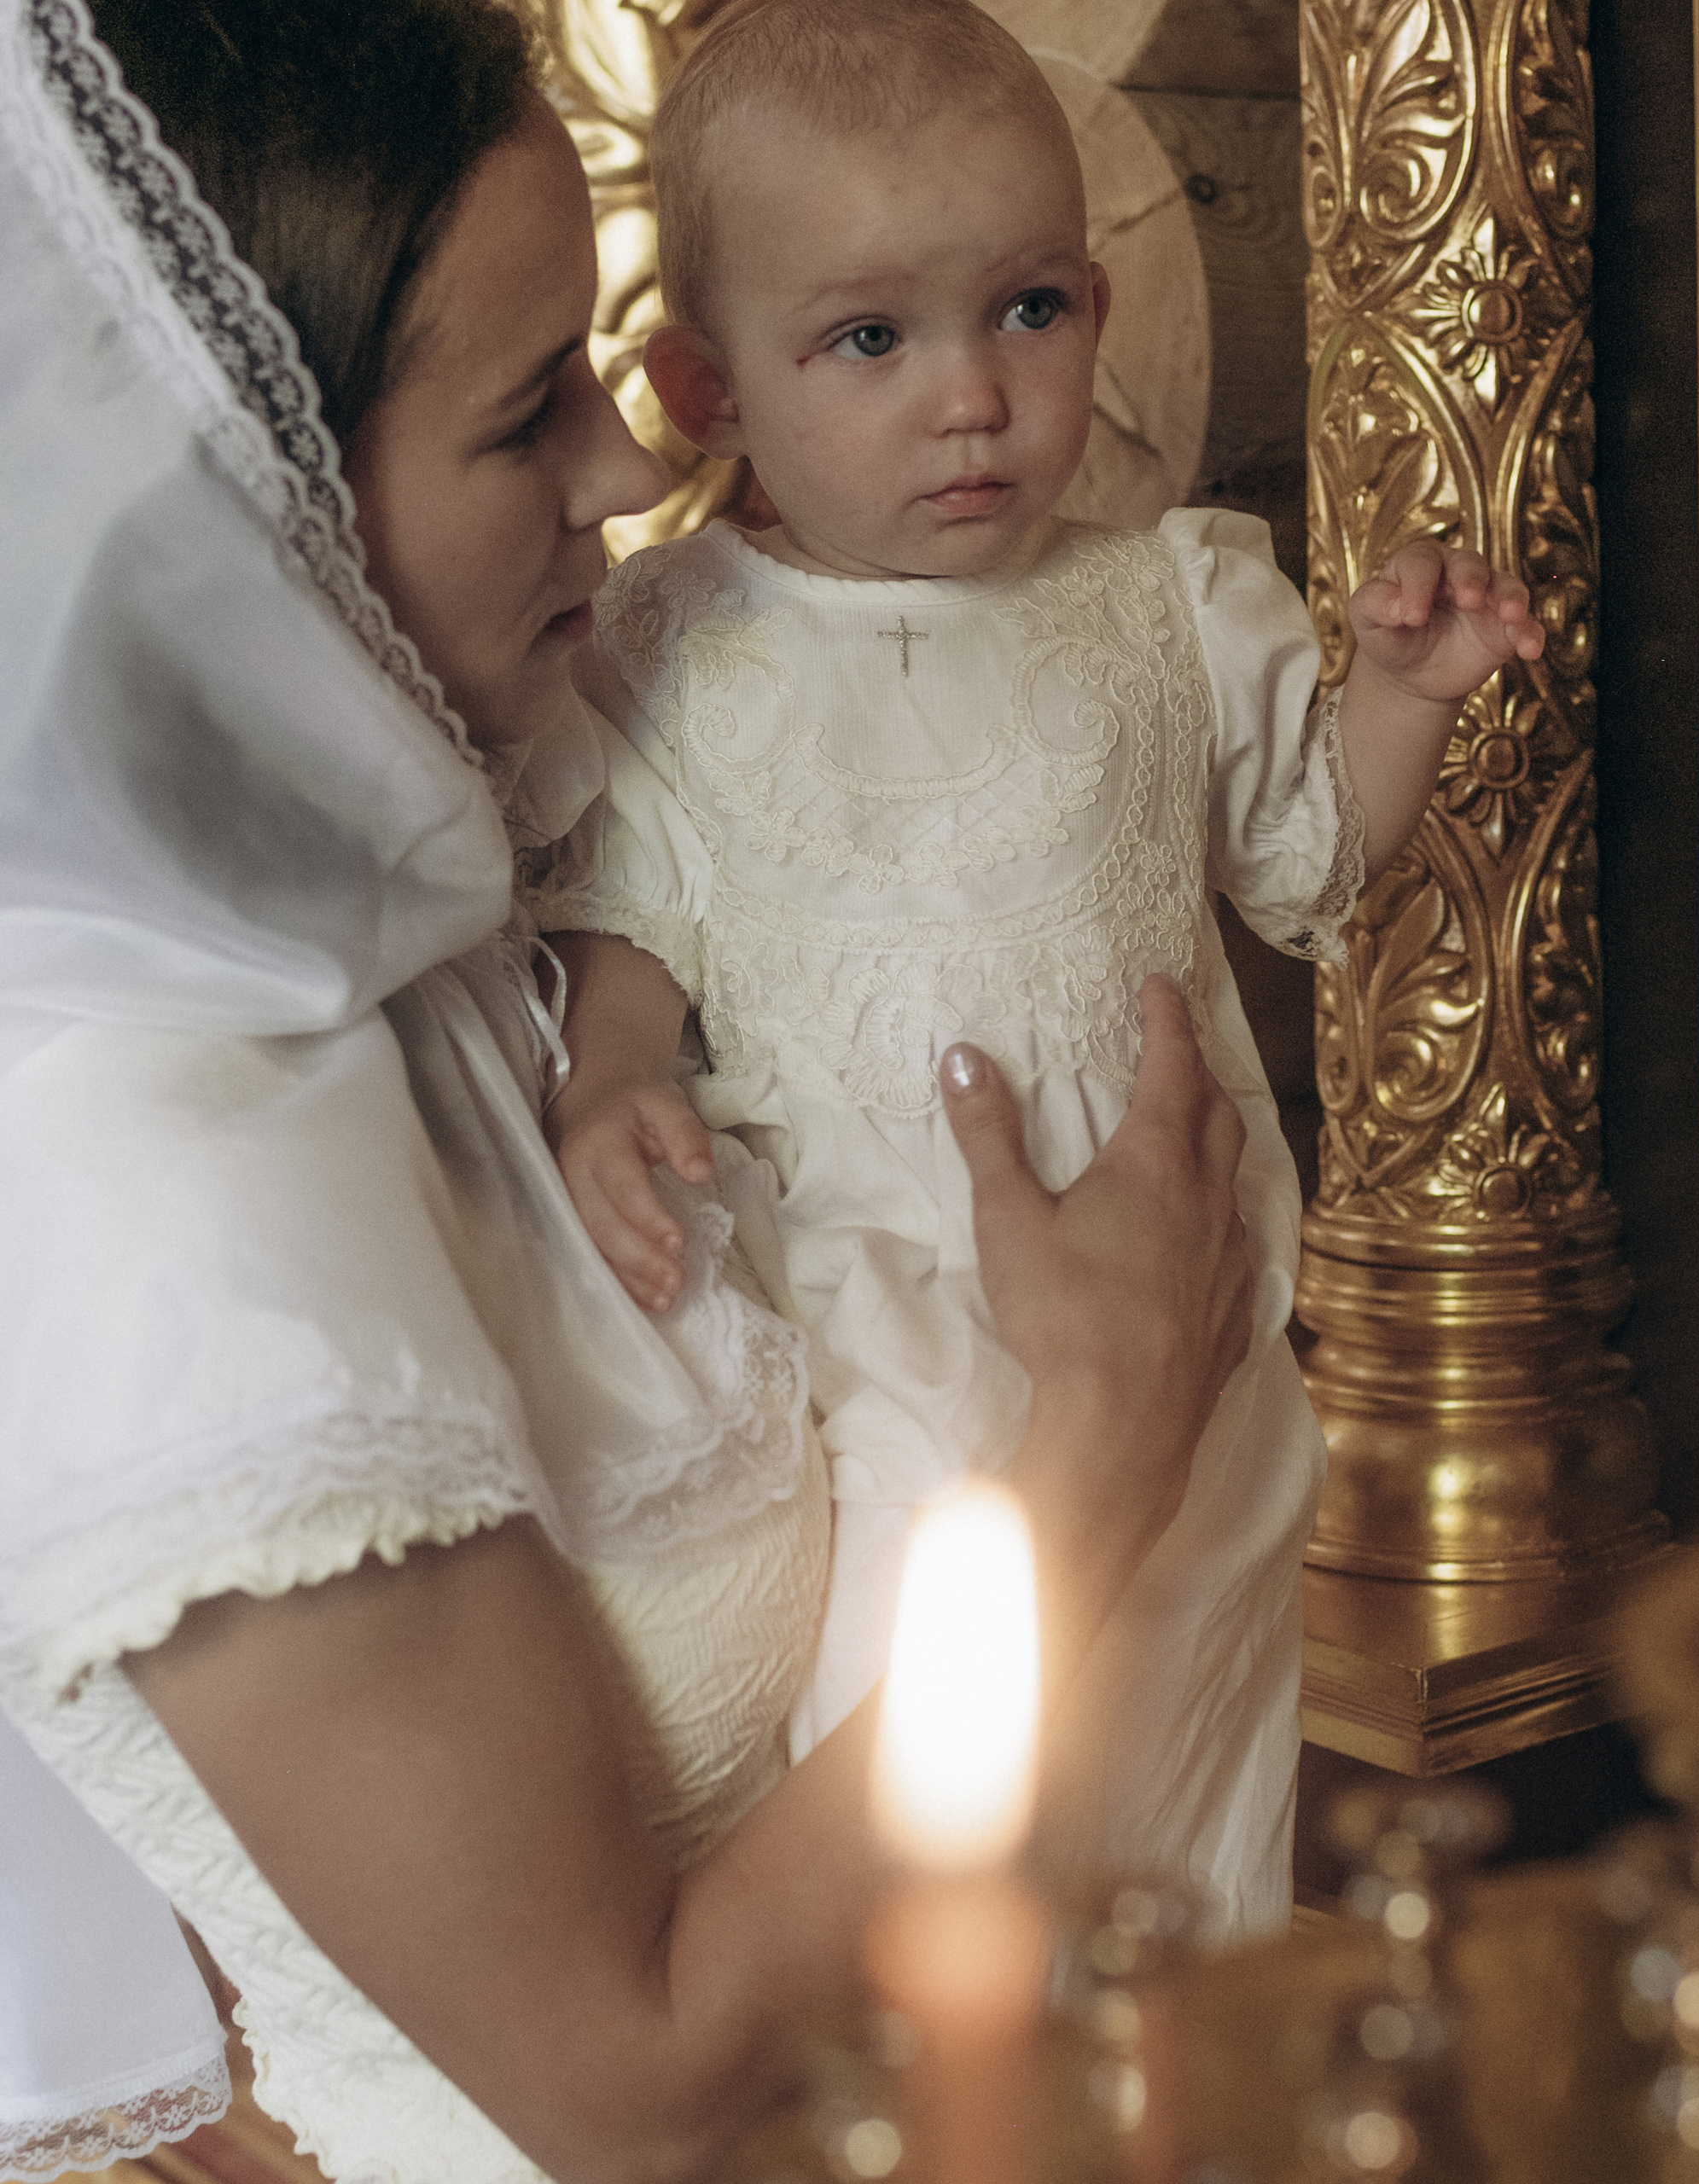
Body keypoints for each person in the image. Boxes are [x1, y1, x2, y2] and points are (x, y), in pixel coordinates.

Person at [0, 3, 1258, 2182]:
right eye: (522, 418)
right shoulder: (159, 1203)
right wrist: (1102, 1444)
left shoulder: (424, 927)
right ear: (236, 520)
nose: (621, 467)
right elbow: (641, 2084)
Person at [531, 0, 1547, 1937]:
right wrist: (608, 1085)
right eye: (867, 340)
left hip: (1199, 1324)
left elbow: (1308, 851)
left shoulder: (1164, 601)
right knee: (937, 1782)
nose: (971, 398)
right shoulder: (676, 645)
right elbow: (629, 928)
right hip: (878, 1325)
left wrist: (1399, 697)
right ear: (706, 385)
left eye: (1027, 310)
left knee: (1178, 1806)